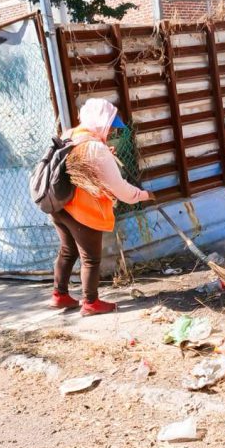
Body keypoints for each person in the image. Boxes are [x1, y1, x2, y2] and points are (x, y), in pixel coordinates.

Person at [50, 97, 152, 315]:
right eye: (110, 125)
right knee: (90, 258)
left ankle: (59, 295)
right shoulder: (95, 148)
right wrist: (144, 195)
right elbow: (120, 189)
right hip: (82, 210)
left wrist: (105, 154)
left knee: (67, 250)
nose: (112, 131)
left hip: (59, 205)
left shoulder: (71, 135)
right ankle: (90, 302)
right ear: (100, 121)